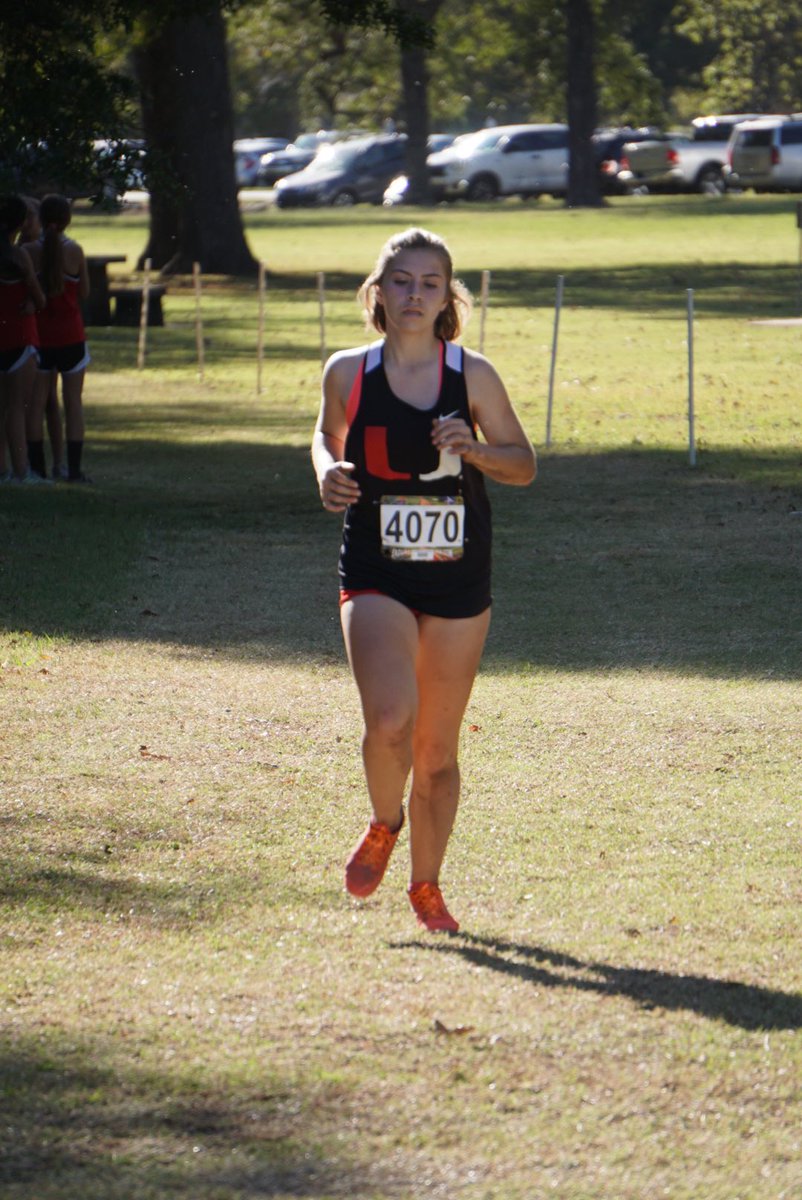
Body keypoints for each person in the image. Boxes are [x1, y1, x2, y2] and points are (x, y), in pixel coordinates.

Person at [312, 227, 536, 932]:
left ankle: (426, 886)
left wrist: (475, 448)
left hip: (457, 575)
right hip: (375, 567)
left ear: (448, 299)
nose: (414, 294)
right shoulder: (348, 371)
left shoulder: (473, 375)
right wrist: (327, 470)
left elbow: (524, 463)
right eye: (401, 281)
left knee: (436, 753)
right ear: (378, 292)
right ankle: (385, 820)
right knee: (389, 721)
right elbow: (326, 435)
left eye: (429, 283)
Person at [24, 194, 91, 483]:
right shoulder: (75, 250)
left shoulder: (28, 251)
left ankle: (37, 469)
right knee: (73, 402)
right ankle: (73, 470)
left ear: (40, 219)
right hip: (71, 336)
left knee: (36, 404)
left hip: (40, 338)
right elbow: (84, 292)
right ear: (67, 220)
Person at [0, 194, 46, 484]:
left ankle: (2, 470)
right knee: (16, 408)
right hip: (19, 336)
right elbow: (39, 298)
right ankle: (21, 470)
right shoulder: (19, 256)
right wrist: (32, 300)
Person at [18, 197, 65, 479]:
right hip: (31, 335)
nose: (26, 223)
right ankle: (33, 464)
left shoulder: (44, 250)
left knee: (48, 402)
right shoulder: (22, 252)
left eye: (31, 217)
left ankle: (56, 463)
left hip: (46, 333)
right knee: (32, 403)